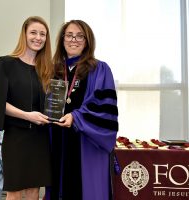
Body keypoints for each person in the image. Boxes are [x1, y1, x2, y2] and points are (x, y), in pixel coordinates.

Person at [47, 20, 119, 200]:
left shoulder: (99, 69)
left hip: (86, 143)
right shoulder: (52, 69)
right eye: (69, 35)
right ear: (62, 39)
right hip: (56, 140)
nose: (74, 40)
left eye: (80, 36)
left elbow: (105, 108)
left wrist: (76, 117)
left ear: (87, 42)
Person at [0, 16, 54, 200]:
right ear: (24, 34)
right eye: (33, 32)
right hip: (16, 137)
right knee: (15, 191)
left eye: (43, 34)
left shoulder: (48, 69)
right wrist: (27, 116)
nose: (38, 37)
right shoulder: (6, 63)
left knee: (34, 190)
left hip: (40, 140)